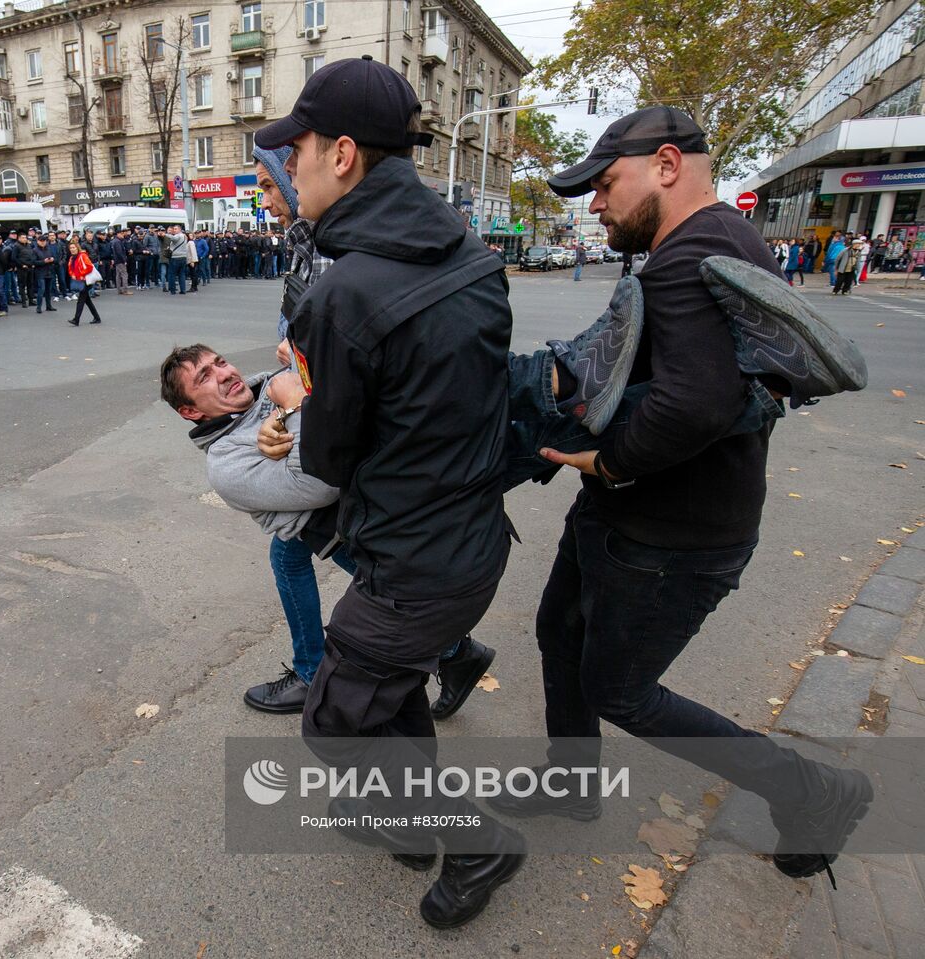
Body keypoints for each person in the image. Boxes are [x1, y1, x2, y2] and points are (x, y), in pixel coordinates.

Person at [487, 106, 872, 889]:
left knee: (620, 689)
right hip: (636, 516)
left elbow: (692, 404)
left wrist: (610, 463)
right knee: (559, 631)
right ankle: (573, 784)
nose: (593, 204)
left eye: (603, 184)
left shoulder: (688, 252)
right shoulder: (717, 239)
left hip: (673, 536)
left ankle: (816, 789)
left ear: (667, 164)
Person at [249, 56, 528, 928]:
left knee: (334, 720)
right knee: (392, 689)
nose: (285, 170)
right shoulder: (473, 257)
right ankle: (406, 819)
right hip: (468, 538)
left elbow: (330, 459)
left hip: (416, 563)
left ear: (341, 154)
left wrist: (296, 407)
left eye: (291, 152)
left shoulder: (348, 291)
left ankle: (482, 843)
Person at [64, 237, 102, 326]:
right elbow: (70, 269)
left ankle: (76, 319)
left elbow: (89, 267)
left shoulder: (82, 256)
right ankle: (97, 317)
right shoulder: (72, 258)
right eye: (71, 248)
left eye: (74, 248)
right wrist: (73, 275)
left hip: (86, 281)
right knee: (87, 301)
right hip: (80, 281)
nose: (72, 249)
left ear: (77, 248)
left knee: (81, 300)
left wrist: (80, 274)